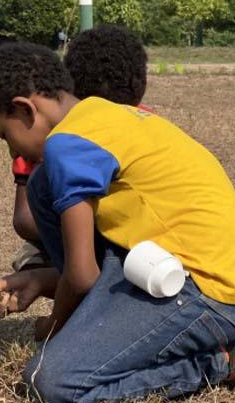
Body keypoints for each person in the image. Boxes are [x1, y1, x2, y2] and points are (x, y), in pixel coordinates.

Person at [0, 42, 235, 403]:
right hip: (179, 272)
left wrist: (54, 329)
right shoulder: (102, 114)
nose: (12, 152)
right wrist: (41, 280)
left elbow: (82, 276)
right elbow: (87, 266)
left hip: (207, 295)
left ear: (24, 109)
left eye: (4, 135)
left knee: (52, 382)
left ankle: (217, 361)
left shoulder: (67, 146)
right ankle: (94, 324)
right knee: (43, 184)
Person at [9, 25, 151, 273]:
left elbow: (23, 219)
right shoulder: (47, 140)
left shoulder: (60, 136)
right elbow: (25, 220)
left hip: (133, 246)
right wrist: (76, 222)